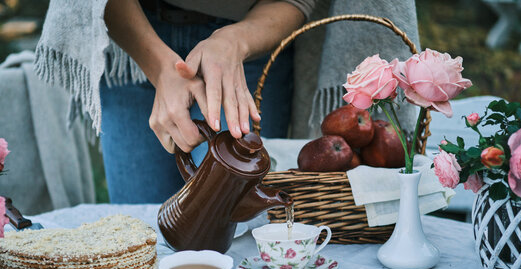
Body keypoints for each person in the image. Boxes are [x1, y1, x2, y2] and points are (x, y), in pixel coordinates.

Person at [35, 0, 315, 203]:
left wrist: (235, 42)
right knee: (139, 230)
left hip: (248, 41)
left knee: (237, 211)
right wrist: (158, 67)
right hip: (131, 36)